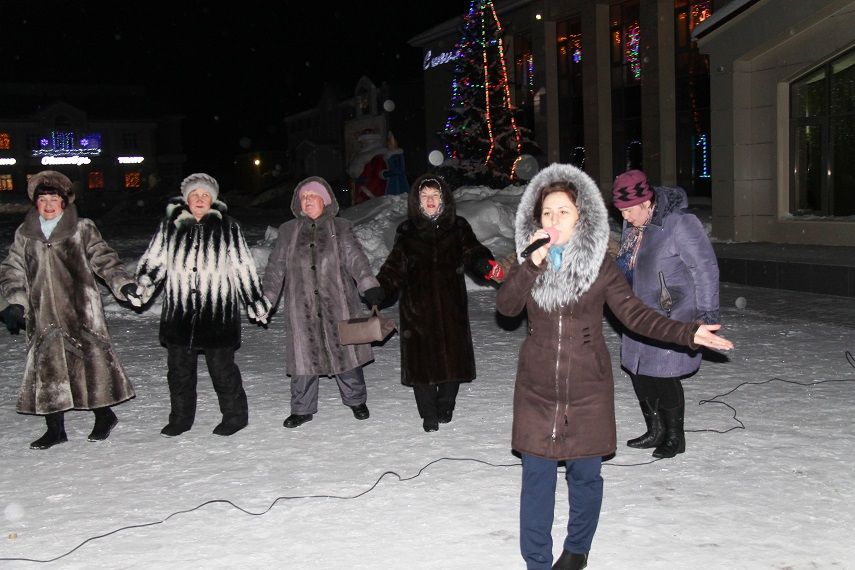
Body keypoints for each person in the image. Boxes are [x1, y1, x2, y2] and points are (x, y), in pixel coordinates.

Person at [496, 163, 733, 570]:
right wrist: (530, 264)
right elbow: (506, 306)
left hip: (588, 389)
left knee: (585, 478)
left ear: (580, 217)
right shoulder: (530, 264)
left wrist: (686, 332)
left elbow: (636, 315)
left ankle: (576, 551)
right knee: (536, 480)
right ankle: (536, 561)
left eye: (563, 212)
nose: (554, 220)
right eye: (547, 212)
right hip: (536, 389)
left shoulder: (601, 268)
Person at [0, 170, 140, 449]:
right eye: (42, 200)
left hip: (81, 312)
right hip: (43, 314)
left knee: (90, 367)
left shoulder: (82, 228)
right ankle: (55, 430)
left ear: (65, 202)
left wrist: (123, 284)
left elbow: (104, 259)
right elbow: (12, 270)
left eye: (54, 199)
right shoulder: (25, 234)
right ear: (35, 203)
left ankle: (104, 416)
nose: (48, 205)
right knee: (49, 371)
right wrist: (14, 302)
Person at [134, 173, 270, 437]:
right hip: (179, 314)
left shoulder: (228, 227)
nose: (199, 199)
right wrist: (143, 286)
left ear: (213, 200)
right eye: (194, 195)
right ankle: (181, 419)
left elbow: (244, 267)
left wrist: (255, 300)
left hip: (217, 314)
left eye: (205, 195)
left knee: (222, 371)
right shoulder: (170, 226)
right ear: (186, 199)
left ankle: (235, 416)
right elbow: (155, 260)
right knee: (179, 373)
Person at [376, 174, 504, 432]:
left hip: (450, 305)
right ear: (417, 202)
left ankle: (446, 403)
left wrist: (483, 264)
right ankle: (428, 413)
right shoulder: (407, 231)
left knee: (451, 359)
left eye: (435, 195)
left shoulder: (458, 227)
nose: (430, 200)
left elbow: (472, 251)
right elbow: (394, 266)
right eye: (425, 196)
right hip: (416, 309)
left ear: (443, 198)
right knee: (420, 363)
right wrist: (379, 288)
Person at [612, 169, 721, 459]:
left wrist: (707, 314)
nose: (625, 217)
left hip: (672, 311)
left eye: (629, 210)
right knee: (638, 371)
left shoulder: (680, 224)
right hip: (636, 311)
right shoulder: (633, 226)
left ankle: (675, 436)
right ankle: (654, 429)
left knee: (663, 373)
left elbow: (705, 269)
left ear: (647, 202)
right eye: (620, 212)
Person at [261, 176, 383, 428]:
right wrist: (267, 300)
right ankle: (302, 409)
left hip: (338, 303)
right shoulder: (288, 231)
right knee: (303, 358)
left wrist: (368, 285)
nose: (307, 201)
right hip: (301, 307)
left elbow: (356, 258)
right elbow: (275, 268)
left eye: (312, 196)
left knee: (345, 354)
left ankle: (356, 400)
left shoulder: (340, 227)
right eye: (303, 197)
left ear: (325, 200)